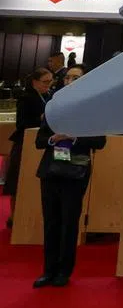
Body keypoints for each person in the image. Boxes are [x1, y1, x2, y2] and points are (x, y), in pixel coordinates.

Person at [33, 66, 105, 288]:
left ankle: (65, 270)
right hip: (51, 169)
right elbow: (39, 141)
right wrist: (53, 139)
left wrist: (74, 138)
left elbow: (100, 142)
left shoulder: (91, 108)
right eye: (68, 77)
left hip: (76, 172)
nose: (70, 81)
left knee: (68, 222)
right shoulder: (54, 106)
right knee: (51, 222)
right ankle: (48, 270)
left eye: (76, 77)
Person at [5, 67, 54, 227]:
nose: (48, 85)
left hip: (44, 143)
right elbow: (21, 124)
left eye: (50, 82)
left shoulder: (50, 97)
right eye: (45, 82)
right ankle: (14, 217)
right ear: (34, 82)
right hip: (24, 143)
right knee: (17, 182)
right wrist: (40, 118)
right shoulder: (26, 98)